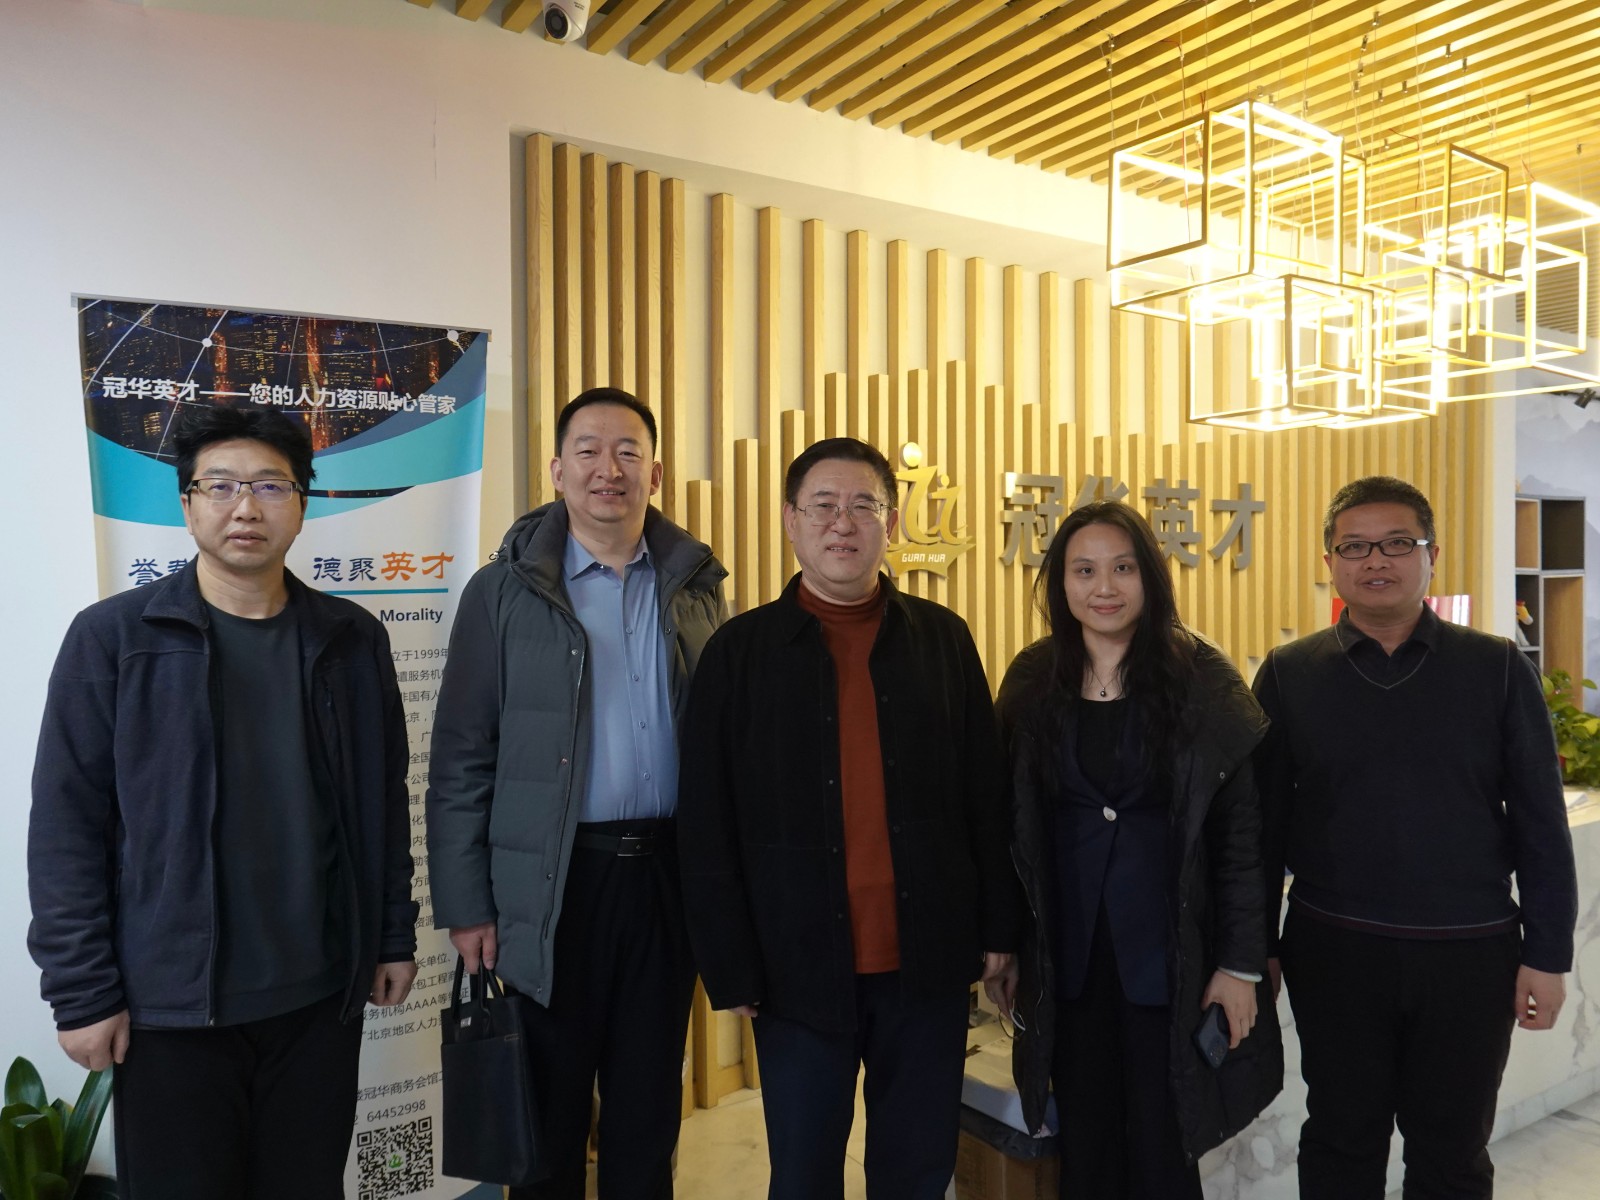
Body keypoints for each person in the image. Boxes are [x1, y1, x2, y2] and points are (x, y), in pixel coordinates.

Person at [28, 406, 418, 1199]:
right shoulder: (114, 639)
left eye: (271, 486)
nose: (246, 507)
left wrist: (391, 935)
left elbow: (382, 803)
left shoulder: (352, 639)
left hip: (317, 1001)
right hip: (171, 1011)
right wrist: (82, 991)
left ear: (302, 506)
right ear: (187, 505)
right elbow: (67, 826)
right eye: (221, 486)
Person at [677, 436, 1021, 1200]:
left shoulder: (942, 638)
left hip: (926, 963)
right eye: (824, 506)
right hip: (794, 967)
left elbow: (985, 796)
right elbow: (706, 820)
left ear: (890, 524)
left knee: (917, 1170)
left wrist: (1000, 928)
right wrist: (728, 960)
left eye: (863, 506)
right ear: (791, 521)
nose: (843, 523)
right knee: (804, 1175)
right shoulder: (739, 653)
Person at [426, 387, 727, 1200]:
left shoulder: (696, 588)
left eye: (628, 452)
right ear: (557, 471)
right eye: (588, 450)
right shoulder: (502, 591)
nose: (608, 469)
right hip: (551, 885)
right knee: (547, 1122)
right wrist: (467, 905)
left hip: (664, 880)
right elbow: (460, 759)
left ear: (654, 474)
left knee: (648, 1113)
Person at [1254, 475, 1579, 1200]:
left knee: (1453, 1150)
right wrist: (1256, 947)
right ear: (1330, 561)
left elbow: (1540, 822)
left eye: (1398, 543)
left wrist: (1547, 954)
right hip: (1334, 948)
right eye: (1355, 547)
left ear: (1432, 554)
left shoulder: (1496, 667)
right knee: (1340, 1137)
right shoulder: (1290, 673)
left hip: (1470, 953)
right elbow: (1261, 828)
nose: (1376, 560)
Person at [988, 500, 1283, 1200]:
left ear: (1150, 577)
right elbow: (1007, 829)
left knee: (1163, 1144)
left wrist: (1240, 964)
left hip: (1173, 956)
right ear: (1060, 583)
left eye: (1122, 568)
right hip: (1069, 956)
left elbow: (1243, 841)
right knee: (1086, 1142)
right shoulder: (1033, 681)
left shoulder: (1203, 681)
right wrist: (1004, 943)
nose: (1104, 587)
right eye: (1084, 570)